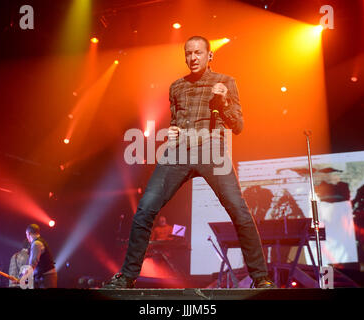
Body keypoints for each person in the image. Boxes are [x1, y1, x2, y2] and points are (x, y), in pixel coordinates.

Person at [104, 35, 275, 289]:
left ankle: (260, 278)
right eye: (188, 54)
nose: (192, 58)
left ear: (209, 55)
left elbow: (237, 126)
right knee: (145, 210)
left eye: (197, 53)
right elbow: (176, 121)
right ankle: (127, 277)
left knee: (239, 211)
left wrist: (224, 101)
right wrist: (172, 131)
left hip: (211, 152)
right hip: (178, 152)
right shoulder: (176, 87)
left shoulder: (225, 82)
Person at [22, 224, 57, 288]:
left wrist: (24, 277)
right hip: (47, 276)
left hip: (47, 277)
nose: (27, 237)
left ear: (29, 233)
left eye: (26, 235)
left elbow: (33, 264)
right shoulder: (39, 241)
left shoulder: (36, 244)